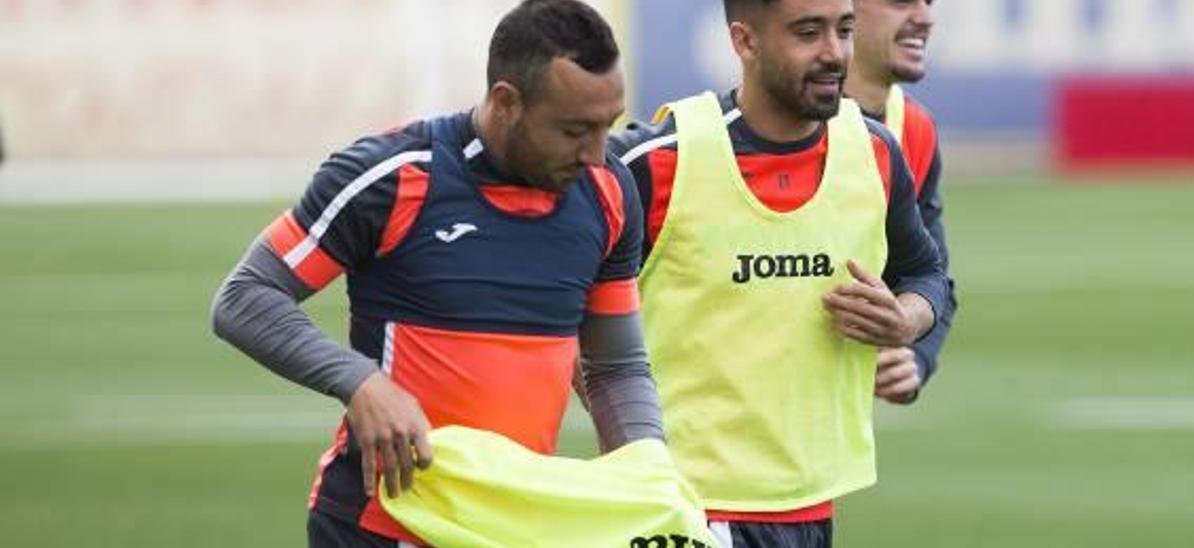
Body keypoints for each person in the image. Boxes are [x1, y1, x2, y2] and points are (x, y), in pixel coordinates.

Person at [211, 1, 664, 546]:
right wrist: (360, 382)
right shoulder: (395, 175)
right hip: (383, 525)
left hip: (510, 528)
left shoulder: (610, 192)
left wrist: (649, 474)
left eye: (606, 127)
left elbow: (614, 368)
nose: (596, 153)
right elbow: (245, 297)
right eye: (574, 130)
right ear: (506, 102)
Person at [609, 0, 948, 545]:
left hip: (810, 504)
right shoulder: (654, 162)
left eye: (844, 30)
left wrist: (907, 321)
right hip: (682, 507)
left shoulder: (876, 150)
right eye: (808, 33)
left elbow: (925, 272)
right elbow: (560, 288)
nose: (834, 53)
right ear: (745, 42)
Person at [845, 0, 955, 404]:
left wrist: (915, 355)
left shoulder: (914, 128)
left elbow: (931, 275)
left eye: (929, 3)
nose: (925, 18)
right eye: (901, 1)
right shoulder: (760, 127)